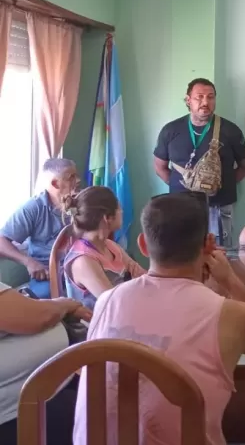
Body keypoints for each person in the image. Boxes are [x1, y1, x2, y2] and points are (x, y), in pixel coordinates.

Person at [73, 192, 245, 445]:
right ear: (207, 245)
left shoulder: (106, 301)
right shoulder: (231, 315)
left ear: (143, 245)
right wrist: (230, 281)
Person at [153, 78, 245, 247]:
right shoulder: (170, 130)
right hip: (180, 207)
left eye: (210, 97)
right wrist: (186, 185)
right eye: (199, 97)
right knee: (182, 253)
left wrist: (223, 184)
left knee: (219, 254)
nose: (205, 102)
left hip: (219, 207)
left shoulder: (231, 131)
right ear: (188, 100)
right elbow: (160, 167)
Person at [0, 284, 91, 444]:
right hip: (17, 417)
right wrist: (65, 305)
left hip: (46, 390)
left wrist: (58, 308)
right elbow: (37, 317)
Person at [0, 158, 80, 298]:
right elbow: (2, 241)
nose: (77, 181)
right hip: (47, 271)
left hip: (79, 265)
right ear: (55, 183)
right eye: (71, 177)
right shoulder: (33, 208)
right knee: (44, 298)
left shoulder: (81, 201)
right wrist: (29, 262)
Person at [61, 187, 145, 310]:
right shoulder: (83, 261)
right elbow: (114, 304)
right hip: (99, 320)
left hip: (124, 311)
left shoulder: (110, 246)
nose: (122, 211)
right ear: (107, 218)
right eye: (119, 209)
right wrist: (135, 285)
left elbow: (143, 277)